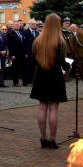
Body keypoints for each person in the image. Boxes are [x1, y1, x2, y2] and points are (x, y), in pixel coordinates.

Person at [29, 14, 71, 149]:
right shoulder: (60, 41)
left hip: (41, 76)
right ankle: (52, 140)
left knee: (42, 107)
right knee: (53, 108)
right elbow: (62, 63)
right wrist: (69, 66)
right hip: (55, 77)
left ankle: (43, 138)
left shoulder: (37, 41)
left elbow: (32, 61)